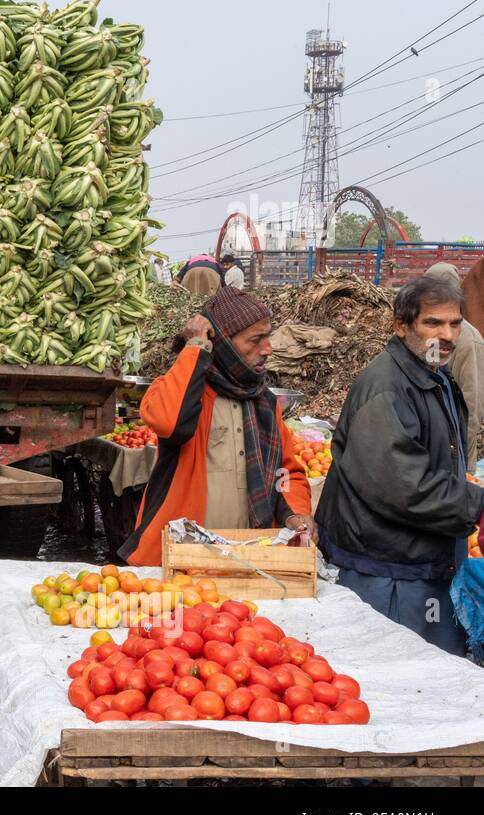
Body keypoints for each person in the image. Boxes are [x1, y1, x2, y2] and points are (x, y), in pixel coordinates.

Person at [317, 276, 484, 654]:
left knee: (431, 676)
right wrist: (476, 504)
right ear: (401, 325)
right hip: (387, 570)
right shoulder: (386, 387)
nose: (447, 335)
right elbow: (403, 484)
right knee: (394, 670)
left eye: (454, 323)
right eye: (433, 323)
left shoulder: (434, 375)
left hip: (420, 562)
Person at [119, 286, 313, 566]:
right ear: (223, 343)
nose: (268, 349)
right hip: (180, 557)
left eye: (268, 337)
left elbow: (285, 472)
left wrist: (295, 512)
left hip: (248, 557)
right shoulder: (183, 392)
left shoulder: (265, 406)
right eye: (256, 339)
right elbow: (168, 422)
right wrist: (196, 346)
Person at [426, 263, 484, 465]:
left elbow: (472, 404)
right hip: (429, 442)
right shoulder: (425, 331)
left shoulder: (468, 339)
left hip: (455, 446)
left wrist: (460, 453)